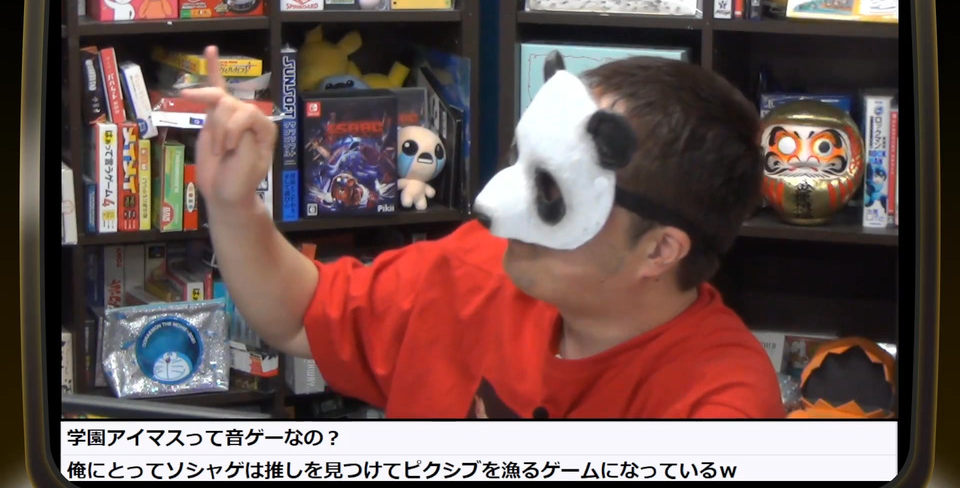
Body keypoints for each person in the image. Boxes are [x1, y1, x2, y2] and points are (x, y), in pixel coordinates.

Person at [182, 46, 786, 419]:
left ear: (660, 250)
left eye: (551, 190)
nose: (491, 205)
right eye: (519, 160)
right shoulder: (481, 267)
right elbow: (300, 316)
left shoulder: (717, 408)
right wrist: (233, 204)